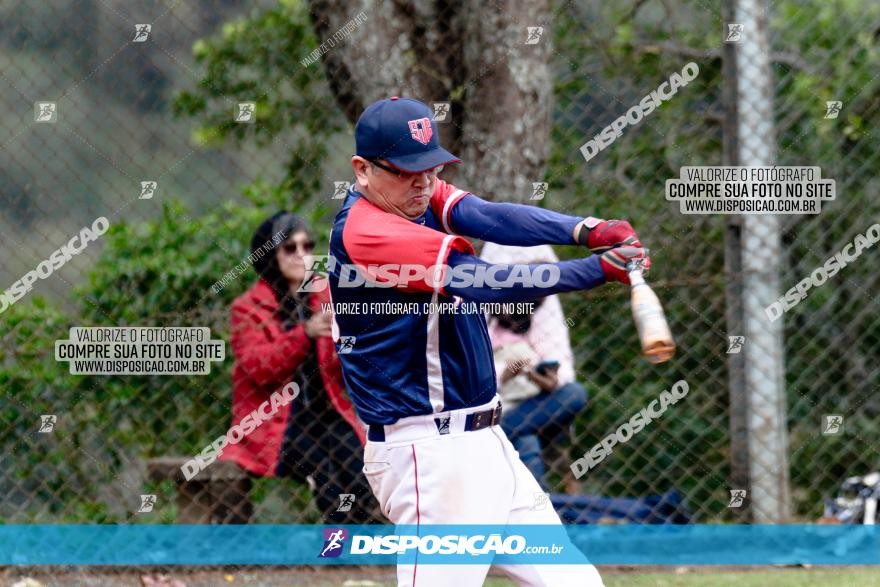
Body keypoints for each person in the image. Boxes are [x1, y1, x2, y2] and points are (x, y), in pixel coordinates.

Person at [327, 97, 650, 586]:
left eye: (431, 169)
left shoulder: (415, 197)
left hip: (484, 441)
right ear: (362, 170)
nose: (424, 182)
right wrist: (595, 270)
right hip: (428, 455)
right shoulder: (368, 231)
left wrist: (587, 230)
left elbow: (493, 218)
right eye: (407, 171)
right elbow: (484, 281)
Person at [219, 211, 379, 524]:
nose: (302, 255)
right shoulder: (247, 309)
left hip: (329, 414)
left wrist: (345, 337)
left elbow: (348, 369)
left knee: (362, 472)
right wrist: (304, 334)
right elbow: (260, 368)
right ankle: (338, 554)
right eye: (290, 248)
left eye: (308, 246)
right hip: (277, 424)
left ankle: (366, 550)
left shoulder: (324, 297)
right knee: (327, 479)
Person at [480, 243, 589, 490]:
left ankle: (507, 432)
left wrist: (551, 379)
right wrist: (503, 374)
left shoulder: (541, 306)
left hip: (531, 401)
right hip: (492, 401)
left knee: (574, 393)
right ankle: (541, 512)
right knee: (526, 439)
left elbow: (561, 360)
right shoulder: (477, 308)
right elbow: (469, 373)